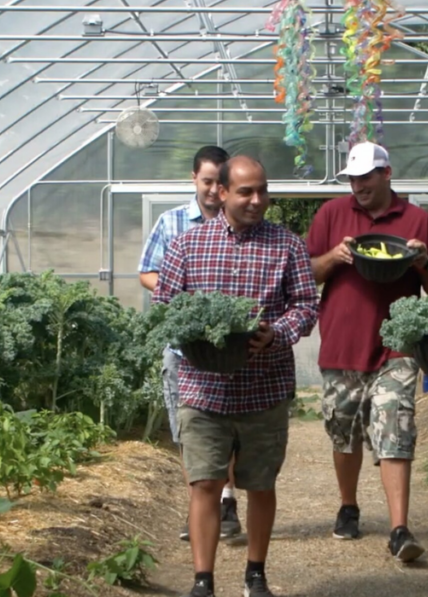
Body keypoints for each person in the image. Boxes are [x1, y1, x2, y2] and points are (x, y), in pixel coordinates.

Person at [153, 155, 319, 597]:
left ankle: (255, 575)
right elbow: (164, 304)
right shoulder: (188, 244)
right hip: (202, 387)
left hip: (263, 388)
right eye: (246, 191)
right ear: (221, 193)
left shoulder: (287, 245)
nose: (257, 199)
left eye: (262, 190)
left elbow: (305, 306)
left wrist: (277, 332)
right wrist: (190, 333)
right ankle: (203, 582)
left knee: (260, 485)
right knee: (205, 482)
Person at [305, 141, 428, 562]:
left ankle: (400, 529)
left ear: (387, 174)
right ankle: (348, 506)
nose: (358, 186)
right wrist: (335, 256)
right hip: (342, 344)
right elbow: (306, 270)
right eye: (352, 178)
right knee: (343, 432)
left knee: (395, 430)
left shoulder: (419, 221)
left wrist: (421, 261)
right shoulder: (331, 214)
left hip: (396, 348)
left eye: (366, 177)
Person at [138, 145, 244, 542]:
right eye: (207, 181)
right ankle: (200, 505)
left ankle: (227, 500)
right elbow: (147, 272)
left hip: (228, 347)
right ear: (194, 180)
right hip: (183, 347)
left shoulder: (239, 224)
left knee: (227, 427)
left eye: (221, 181)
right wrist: (180, 294)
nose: (215, 190)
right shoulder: (172, 222)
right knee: (188, 430)